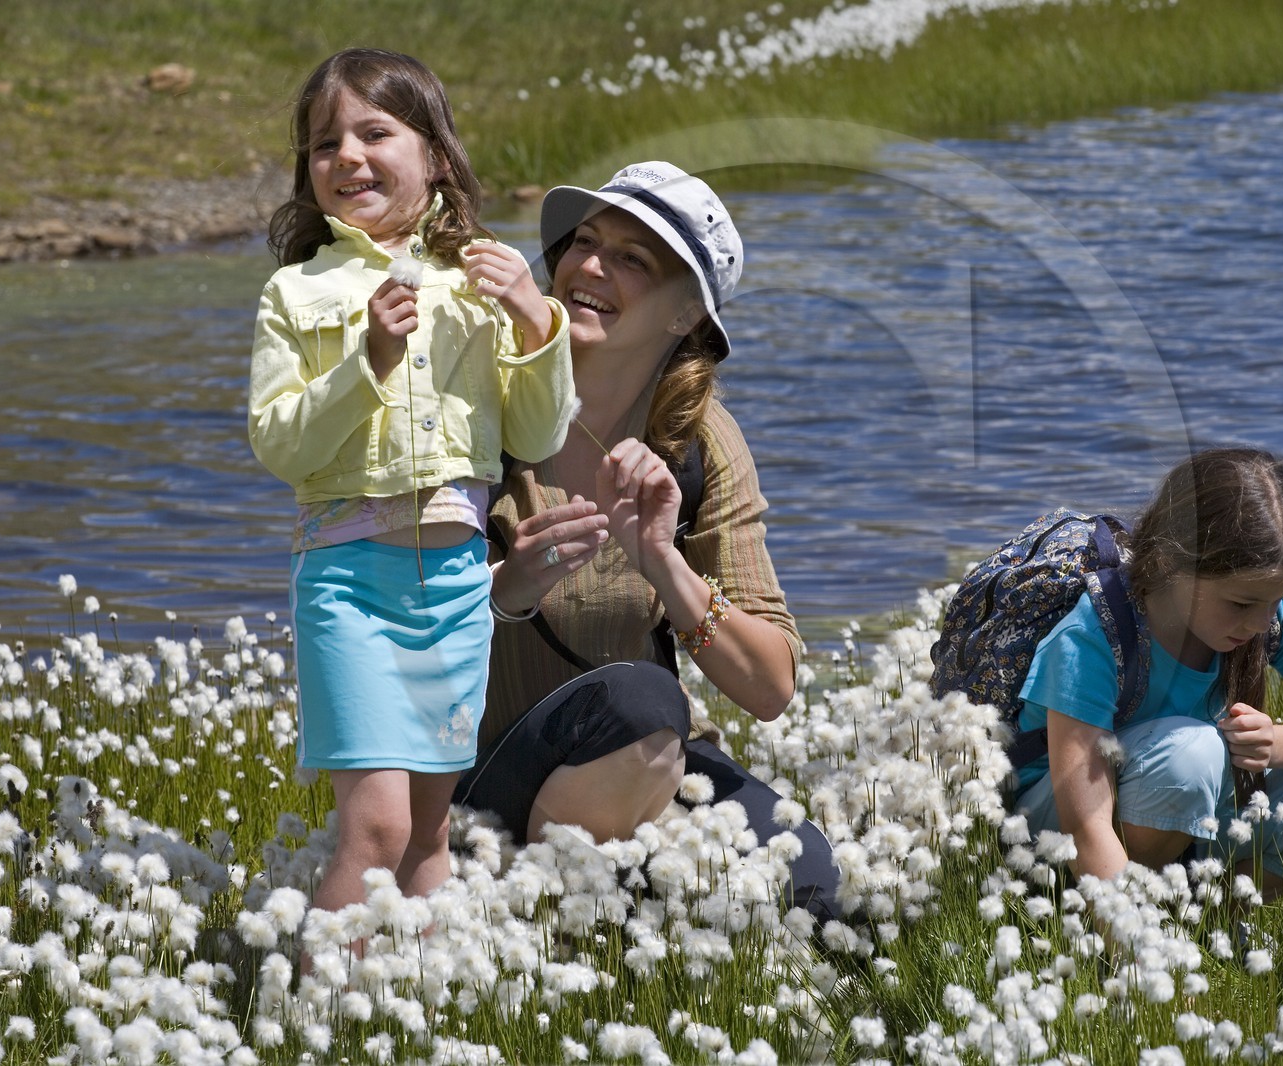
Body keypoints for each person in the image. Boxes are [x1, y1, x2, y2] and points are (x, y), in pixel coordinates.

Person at [453, 161, 840, 922]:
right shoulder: (473, 399)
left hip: (651, 763)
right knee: (639, 701)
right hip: (481, 776)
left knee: (814, 888)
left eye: (632, 259)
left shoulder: (699, 442)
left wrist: (664, 563)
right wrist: (505, 589)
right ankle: (558, 925)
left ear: (684, 313)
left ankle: (607, 919)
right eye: (584, 242)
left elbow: (770, 688)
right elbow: (385, 612)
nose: (590, 268)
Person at [246, 48, 574, 939]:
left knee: (430, 830)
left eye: (374, 133)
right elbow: (279, 443)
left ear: (434, 154)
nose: (347, 157)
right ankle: (317, 1003)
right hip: (349, 583)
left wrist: (537, 320)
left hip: (458, 587)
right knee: (379, 826)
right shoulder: (297, 291)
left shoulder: (484, 281)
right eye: (325, 144)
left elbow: (537, 435)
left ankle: (422, 998)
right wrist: (367, 364)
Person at [1014, 448, 1283, 896]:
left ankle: (1215, 922)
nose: (1261, 622)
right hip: (1059, 839)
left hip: (1184, 808)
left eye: (1276, 600)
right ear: (1172, 564)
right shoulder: (1091, 638)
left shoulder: (1266, 605)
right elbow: (1086, 828)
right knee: (1192, 755)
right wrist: (1131, 942)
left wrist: (1273, 744)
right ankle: (1128, 918)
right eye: (1242, 604)